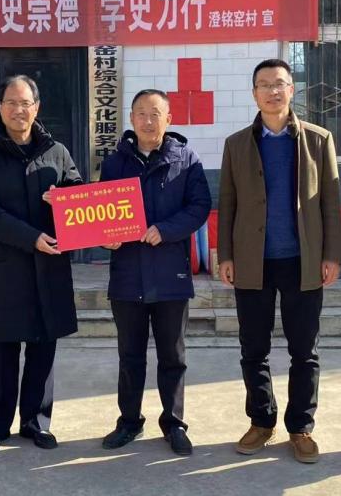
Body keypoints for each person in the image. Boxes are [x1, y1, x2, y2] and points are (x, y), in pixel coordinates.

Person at [217, 59, 341, 463]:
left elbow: (330, 203)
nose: (273, 91)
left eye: (280, 84)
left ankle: (301, 427)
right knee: (253, 348)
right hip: (252, 262)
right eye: (264, 85)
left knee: (304, 350)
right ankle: (261, 421)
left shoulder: (319, 140)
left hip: (302, 261)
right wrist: (226, 255)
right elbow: (228, 204)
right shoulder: (237, 144)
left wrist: (331, 254)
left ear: (292, 90)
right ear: (254, 93)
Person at [0, 75, 83, 455]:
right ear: (0, 108)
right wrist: (31, 237)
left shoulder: (57, 151)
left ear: (37, 107)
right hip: (7, 269)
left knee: (43, 349)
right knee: (3, 351)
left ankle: (37, 422)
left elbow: (79, 196)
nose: (19, 110)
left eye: (26, 103)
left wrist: (63, 198)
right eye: (11, 103)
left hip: (50, 266)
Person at [97, 89, 211, 456]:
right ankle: (129, 421)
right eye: (141, 113)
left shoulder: (186, 159)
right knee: (130, 355)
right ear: (131, 119)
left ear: (169, 119)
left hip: (170, 274)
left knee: (172, 356)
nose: (148, 120)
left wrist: (167, 230)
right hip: (127, 275)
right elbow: (100, 211)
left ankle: (174, 423)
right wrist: (105, 236)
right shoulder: (115, 163)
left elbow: (199, 206)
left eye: (156, 113)